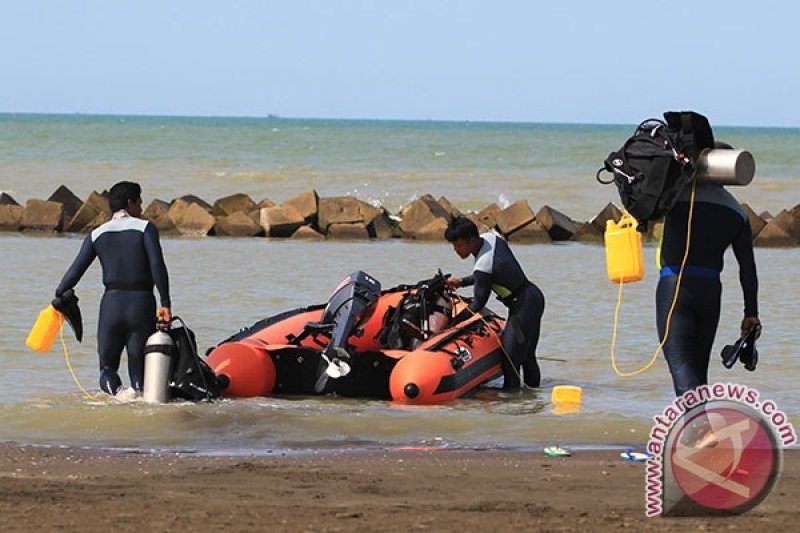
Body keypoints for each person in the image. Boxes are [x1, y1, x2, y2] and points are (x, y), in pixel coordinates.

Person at [55, 181, 171, 394]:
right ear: (130, 203)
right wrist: (165, 303)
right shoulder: (145, 228)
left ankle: (118, 397)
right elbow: (157, 265)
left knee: (107, 368)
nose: (141, 209)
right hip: (141, 303)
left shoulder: (97, 234)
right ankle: (137, 398)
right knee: (140, 369)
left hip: (111, 306)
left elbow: (71, 276)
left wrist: (62, 298)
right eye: (139, 203)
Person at [657, 176, 760, 397]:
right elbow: (747, 268)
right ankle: (698, 428)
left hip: (675, 288)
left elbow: (640, 208)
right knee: (698, 374)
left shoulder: (674, 196)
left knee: (681, 367)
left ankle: (705, 429)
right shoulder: (736, 210)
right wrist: (751, 312)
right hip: (711, 291)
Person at [444, 216, 545, 389]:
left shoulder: (484, 264)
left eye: (459, 245)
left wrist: (452, 324)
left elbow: (477, 303)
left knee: (510, 360)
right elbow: (490, 274)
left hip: (523, 305)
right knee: (527, 356)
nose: (456, 250)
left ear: (472, 241)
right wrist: (462, 281)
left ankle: (510, 406)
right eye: (453, 246)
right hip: (532, 297)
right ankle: (533, 404)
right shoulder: (491, 239)